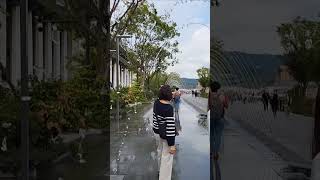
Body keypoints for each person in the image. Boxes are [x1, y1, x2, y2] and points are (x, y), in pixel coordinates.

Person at [153, 85, 176, 180]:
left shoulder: (156, 103)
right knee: (167, 157)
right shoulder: (168, 108)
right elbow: (170, 128)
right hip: (166, 135)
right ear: (169, 94)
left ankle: (159, 169)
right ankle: (164, 177)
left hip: (157, 132)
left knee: (160, 151)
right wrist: (172, 145)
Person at [208, 81, 228, 160]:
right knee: (218, 136)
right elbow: (226, 105)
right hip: (220, 118)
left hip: (211, 118)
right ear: (218, 88)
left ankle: (210, 151)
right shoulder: (222, 96)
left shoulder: (209, 96)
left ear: (211, 88)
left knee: (211, 135)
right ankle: (216, 153)